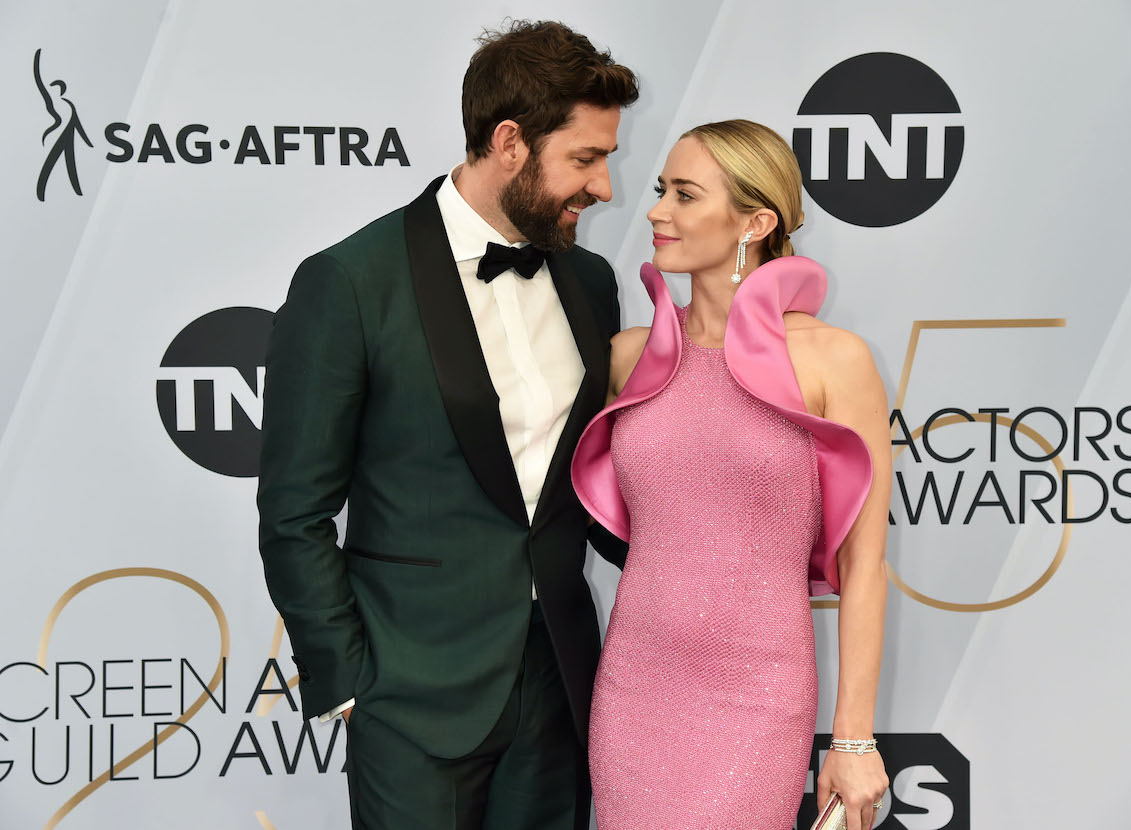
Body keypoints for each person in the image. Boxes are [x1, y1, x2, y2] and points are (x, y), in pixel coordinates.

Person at [256, 21, 637, 830]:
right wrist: (353, 685)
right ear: (509, 142)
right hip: (411, 696)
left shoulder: (592, 282)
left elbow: (599, 480)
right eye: (585, 158)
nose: (605, 187)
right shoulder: (351, 282)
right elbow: (294, 512)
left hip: (560, 684)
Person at [572, 120, 891, 830]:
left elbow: (863, 564)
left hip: (755, 695)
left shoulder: (835, 360)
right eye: (661, 191)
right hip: (634, 688)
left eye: (684, 195)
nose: (655, 211)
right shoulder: (629, 355)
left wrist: (852, 738)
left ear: (755, 221)